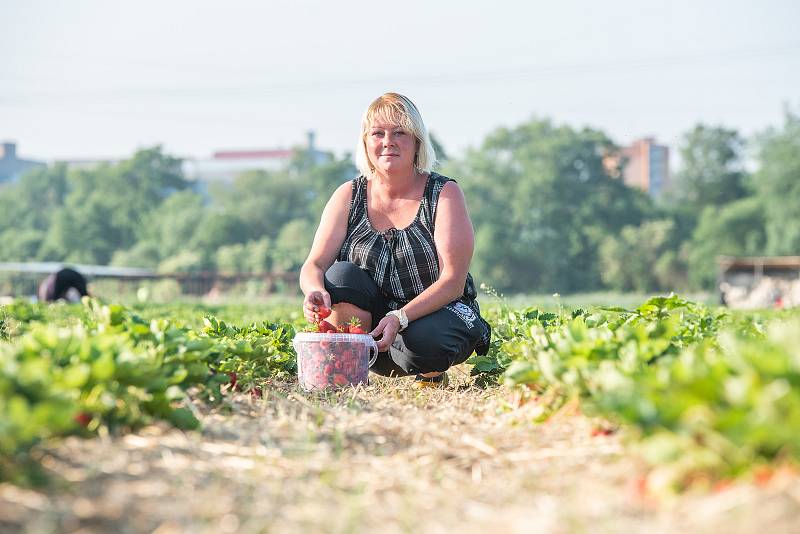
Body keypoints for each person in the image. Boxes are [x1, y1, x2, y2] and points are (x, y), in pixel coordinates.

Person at [299, 93, 491, 388]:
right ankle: (348, 370)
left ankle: (430, 375)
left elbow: (453, 281)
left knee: (425, 341)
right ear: (366, 143)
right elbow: (314, 263)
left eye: (400, 132)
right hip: (375, 331)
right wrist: (314, 290)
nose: (388, 141)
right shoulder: (348, 195)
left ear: (416, 143)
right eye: (378, 133)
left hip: (437, 316)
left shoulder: (443, 193)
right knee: (339, 275)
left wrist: (400, 317)